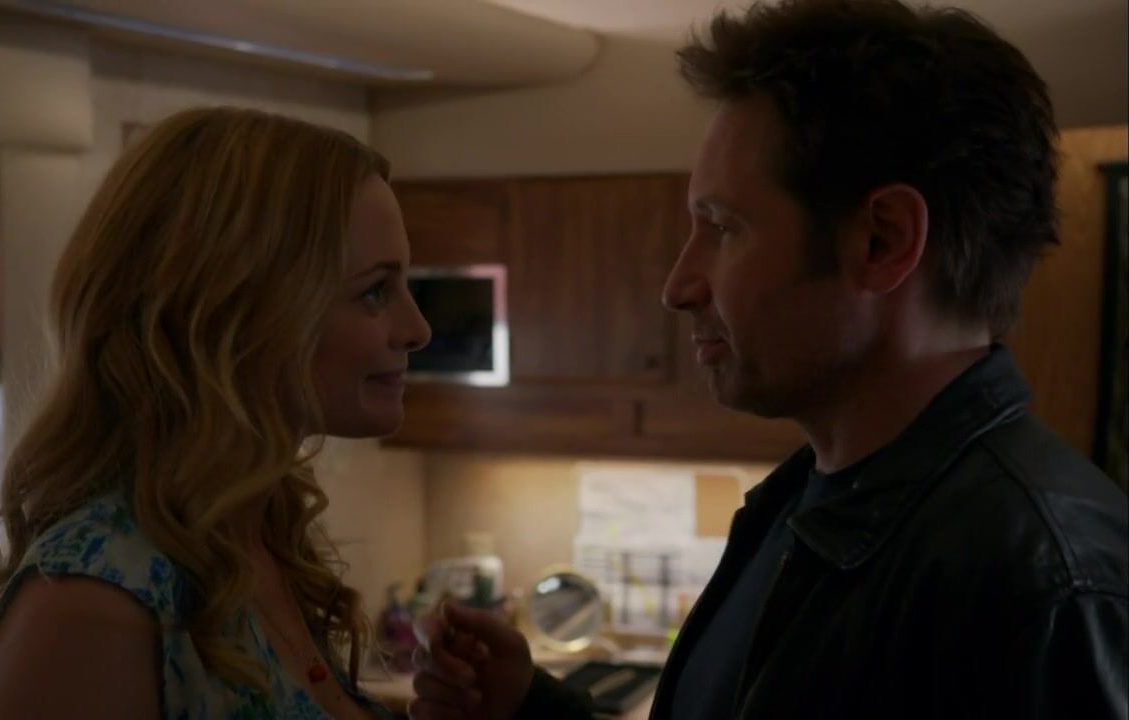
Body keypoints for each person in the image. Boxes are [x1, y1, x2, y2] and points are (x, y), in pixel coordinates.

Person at [409, 0, 1129, 718]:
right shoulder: (804, 504)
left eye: (722, 228)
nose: (678, 286)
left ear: (882, 240)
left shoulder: (1043, 584)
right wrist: (527, 709)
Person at [0, 107, 431, 718]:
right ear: (238, 310)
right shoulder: (93, 609)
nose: (418, 329)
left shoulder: (256, 541)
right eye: (375, 291)